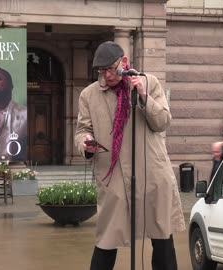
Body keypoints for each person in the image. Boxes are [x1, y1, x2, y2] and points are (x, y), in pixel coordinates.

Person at [74, 41, 185, 270]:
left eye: (111, 69)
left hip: (151, 175)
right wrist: (84, 143)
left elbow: (162, 122)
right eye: (101, 71)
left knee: (162, 238)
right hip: (112, 176)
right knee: (106, 241)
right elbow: (82, 130)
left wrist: (143, 96)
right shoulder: (89, 95)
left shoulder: (149, 83)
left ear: (124, 63)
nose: (106, 75)